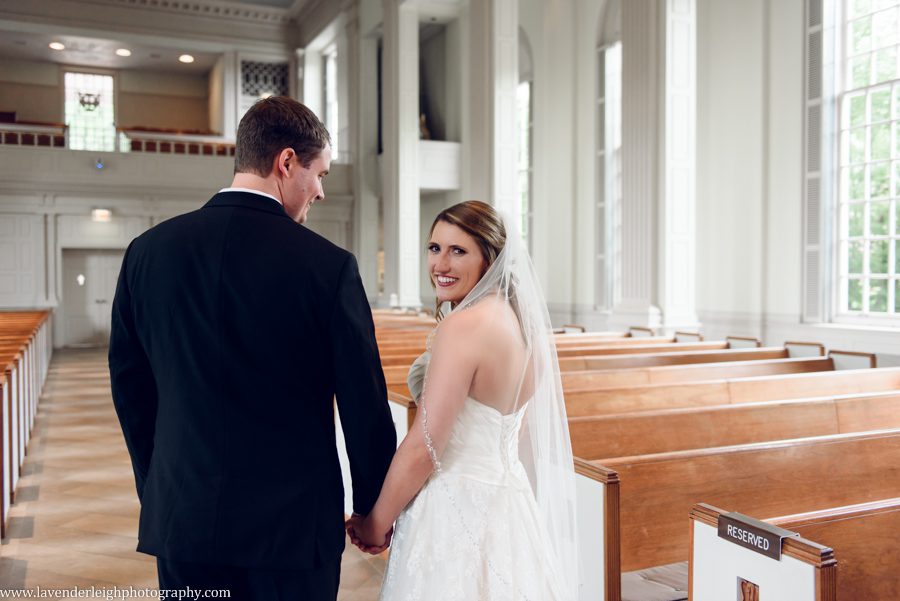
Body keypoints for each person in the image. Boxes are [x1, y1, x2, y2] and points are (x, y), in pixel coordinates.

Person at [108, 96, 396, 600]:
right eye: (320, 174)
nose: (321, 192)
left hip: (184, 518)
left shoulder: (147, 253)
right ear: (286, 162)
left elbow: (131, 390)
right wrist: (373, 508)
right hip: (291, 532)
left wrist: (160, 489)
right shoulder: (329, 267)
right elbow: (363, 404)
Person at [347, 201, 579, 600]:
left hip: (453, 508)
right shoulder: (525, 326)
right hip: (510, 506)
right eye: (434, 248)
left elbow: (426, 446)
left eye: (459, 251)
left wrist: (375, 522)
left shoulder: (464, 326)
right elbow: (514, 436)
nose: (441, 264)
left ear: (490, 257)